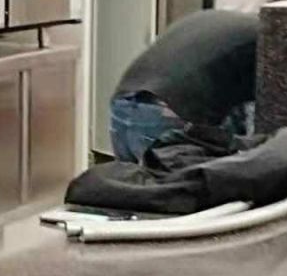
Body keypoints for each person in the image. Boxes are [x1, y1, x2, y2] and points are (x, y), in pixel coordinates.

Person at [109, 9, 256, 162]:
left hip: (124, 102)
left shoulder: (228, 22)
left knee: (129, 177)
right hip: (167, 112)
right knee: (180, 178)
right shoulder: (264, 39)